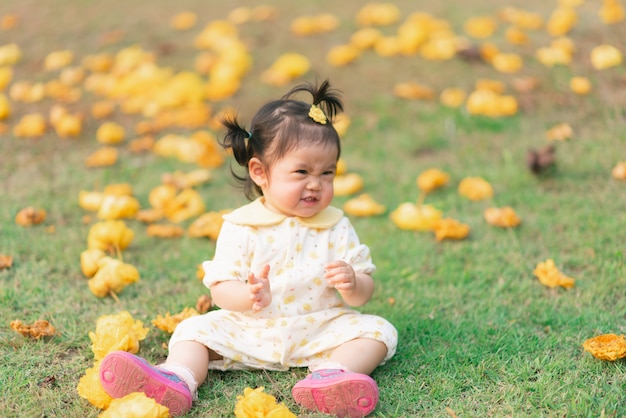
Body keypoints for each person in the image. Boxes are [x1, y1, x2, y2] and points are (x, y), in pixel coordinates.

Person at [99, 79, 398, 417]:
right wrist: (249, 295)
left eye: (327, 173)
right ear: (260, 172)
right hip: (249, 330)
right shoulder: (242, 226)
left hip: (319, 328)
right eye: (302, 172)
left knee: (378, 331)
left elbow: (364, 291)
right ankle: (177, 378)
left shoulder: (335, 225)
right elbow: (221, 291)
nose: (316, 184)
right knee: (192, 331)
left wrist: (354, 283)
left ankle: (332, 375)